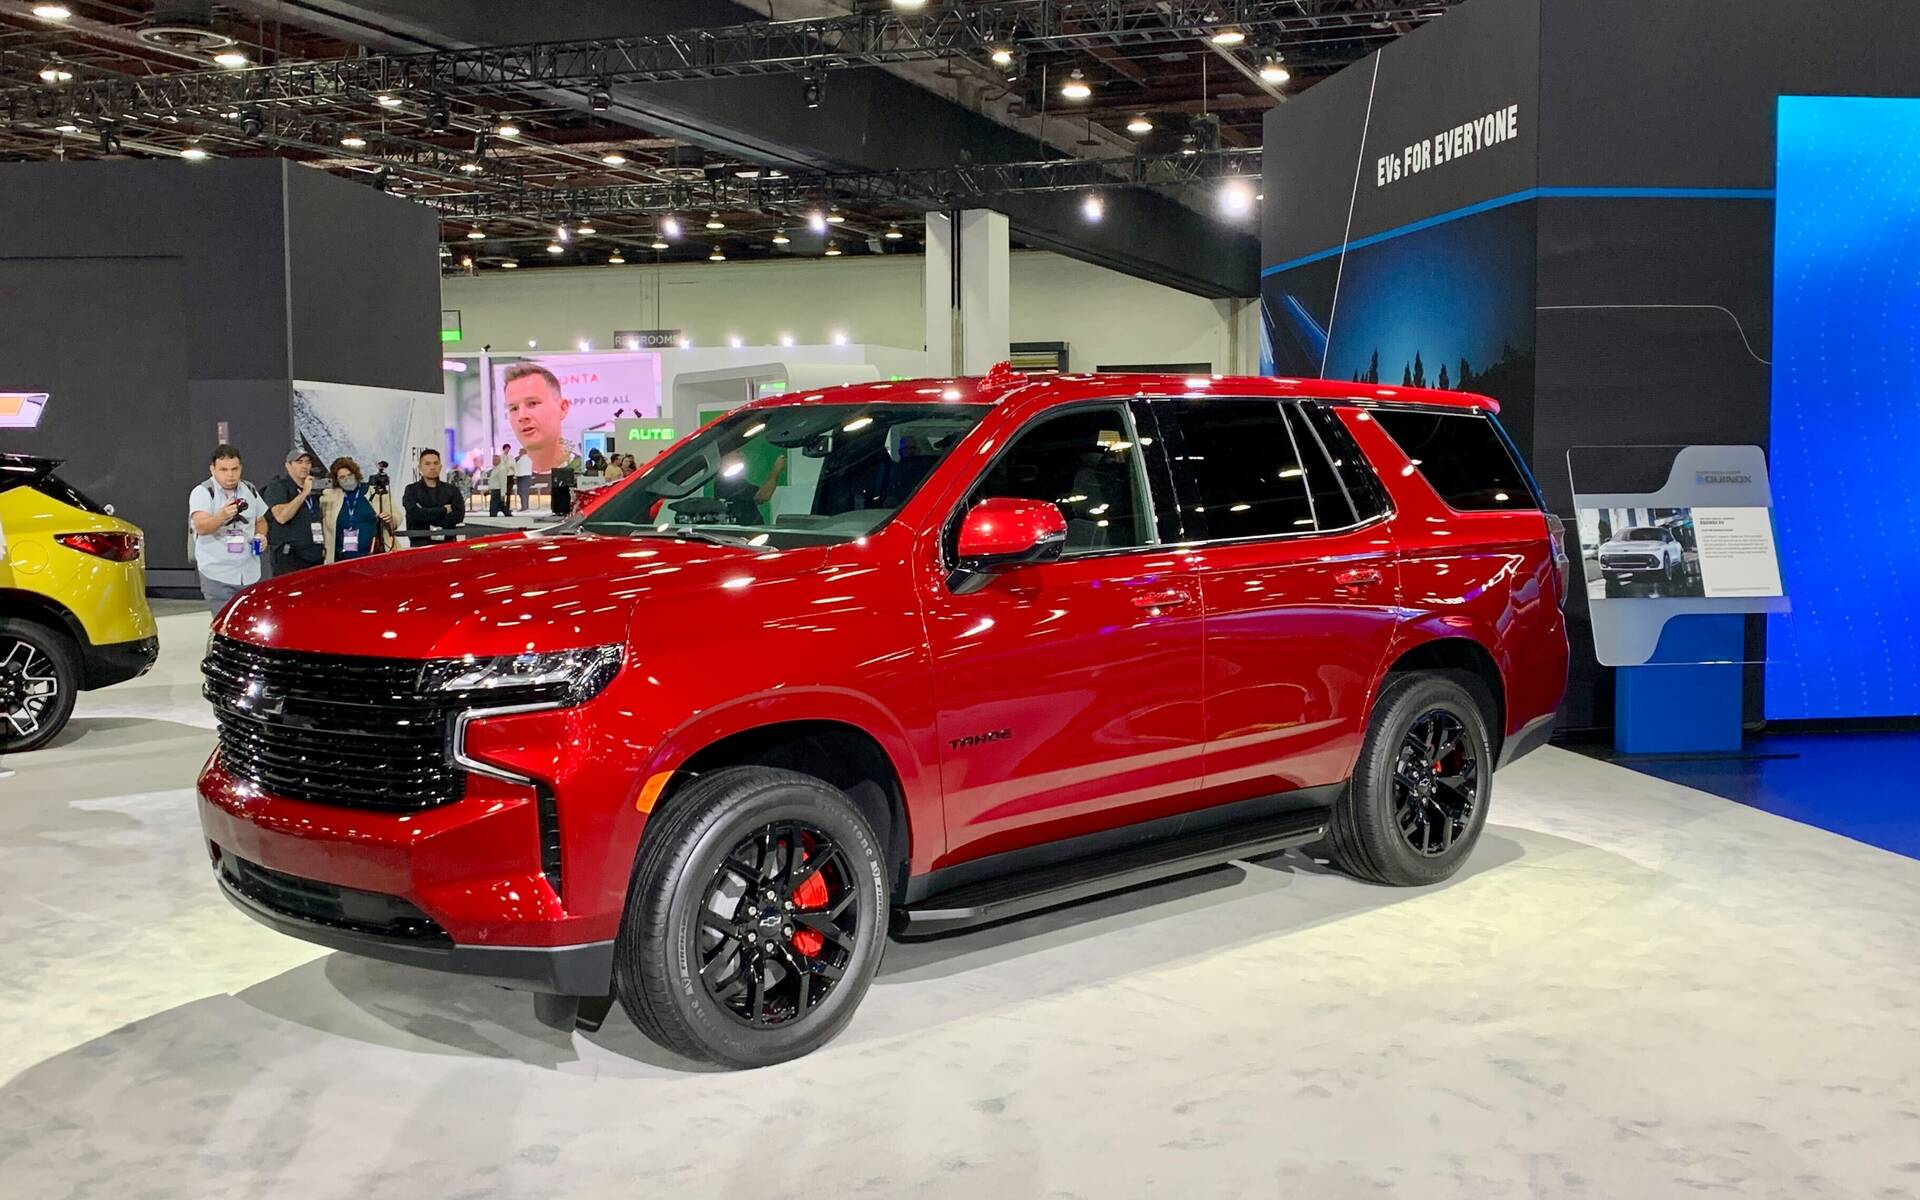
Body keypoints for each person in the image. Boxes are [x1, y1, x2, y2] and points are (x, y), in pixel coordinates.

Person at [189, 443, 268, 614]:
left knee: (250, 625)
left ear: (241, 468)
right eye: (224, 469)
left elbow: (260, 521)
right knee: (225, 628)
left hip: (249, 572)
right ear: (213, 469)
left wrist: (261, 536)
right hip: (217, 573)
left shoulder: (250, 489)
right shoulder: (203, 492)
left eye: (234, 469)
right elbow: (201, 526)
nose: (230, 475)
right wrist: (222, 515)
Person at [502, 361, 577, 472]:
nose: (521, 416)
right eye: (514, 408)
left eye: (533, 403)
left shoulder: (594, 478)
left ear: (562, 408)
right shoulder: (497, 481)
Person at [260, 449, 325, 577]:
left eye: (307, 462)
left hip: (313, 555)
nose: (304, 466)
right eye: (299, 462)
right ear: (288, 465)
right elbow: (282, 517)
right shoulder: (279, 486)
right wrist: (305, 493)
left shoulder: (315, 489)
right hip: (289, 557)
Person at [320, 456, 395, 563]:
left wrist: (390, 518)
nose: (347, 479)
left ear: (356, 474)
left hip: (374, 556)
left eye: (349, 475)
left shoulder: (374, 491)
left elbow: (396, 516)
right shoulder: (329, 496)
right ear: (336, 480)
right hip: (341, 558)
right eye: (342, 477)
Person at [402, 448, 465, 545]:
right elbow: (415, 514)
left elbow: (458, 516)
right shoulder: (411, 490)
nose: (432, 467)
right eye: (427, 464)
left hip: (447, 544)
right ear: (420, 467)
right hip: (419, 544)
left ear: (440, 466)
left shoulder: (452, 490)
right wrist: (443, 510)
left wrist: (425, 516)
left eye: (436, 463)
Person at [715, 453, 786, 525]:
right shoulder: (727, 483)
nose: (740, 456)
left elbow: (756, 501)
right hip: (746, 533)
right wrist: (776, 470)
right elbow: (763, 496)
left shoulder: (726, 483)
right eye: (736, 453)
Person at [486, 452, 511, 517]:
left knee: (493, 509)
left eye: (495, 460)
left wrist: (503, 494)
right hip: (494, 491)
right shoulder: (495, 469)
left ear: (500, 460)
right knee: (502, 507)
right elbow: (492, 481)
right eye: (493, 460)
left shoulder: (501, 469)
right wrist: (489, 489)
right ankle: (510, 518)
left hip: (498, 492)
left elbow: (503, 482)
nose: (493, 461)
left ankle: (492, 521)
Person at [513, 445, 534, 511]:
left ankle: (524, 507)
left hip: (523, 477)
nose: (518, 453)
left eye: (519, 451)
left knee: (522, 492)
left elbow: (518, 467)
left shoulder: (523, 459)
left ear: (523, 452)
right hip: (526, 477)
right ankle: (525, 506)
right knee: (524, 492)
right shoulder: (527, 459)